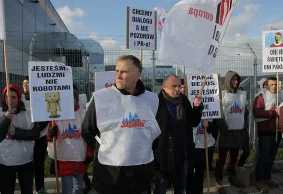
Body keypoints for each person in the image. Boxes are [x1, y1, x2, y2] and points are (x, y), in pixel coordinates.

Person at [81, 55, 161, 194]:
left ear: (138, 75)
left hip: (141, 173)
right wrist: (107, 147)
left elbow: (156, 132)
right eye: (116, 71)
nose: (118, 76)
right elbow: (87, 130)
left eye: (124, 72)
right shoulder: (101, 97)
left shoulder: (152, 99)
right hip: (109, 173)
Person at [153, 74, 203, 194]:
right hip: (164, 158)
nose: (177, 89)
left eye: (179, 86)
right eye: (173, 86)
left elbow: (194, 122)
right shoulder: (156, 104)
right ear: (164, 87)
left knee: (181, 189)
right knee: (160, 189)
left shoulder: (184, 101)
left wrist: (197, 107)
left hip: (183, 155)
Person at [47, 86, 93, 194]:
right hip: (64, 160)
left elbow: (90, 135)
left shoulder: (84, 114)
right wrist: (51, 133)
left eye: (70, 98)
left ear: (76, 99)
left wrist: (90, 153)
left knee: (77, 188)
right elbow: (50, 138)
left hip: (80, 159)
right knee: (67, 189)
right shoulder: (56, 116)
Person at [0, 84, 43, 194]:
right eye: (7, 97)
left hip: (25, 160)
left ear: (19, 97)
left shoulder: (28, 112)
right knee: (7, 190)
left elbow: (35, 133)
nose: (10, 100)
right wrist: (6, 119)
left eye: (13, 97)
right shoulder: (1, 112)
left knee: (27, 189)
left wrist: (16, 133)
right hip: (6, 162)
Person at [215, 71, 249, 194]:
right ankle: (218, 181)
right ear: (228, 81)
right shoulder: (222, 95)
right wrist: (224, 128)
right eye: (233, 80)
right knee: (221, 159)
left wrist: (244, 125)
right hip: (226, 132)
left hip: (238, 131)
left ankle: (232, 177)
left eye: (237, 80)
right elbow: (218, 114)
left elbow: (245, 111)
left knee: (233, 158)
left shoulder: (241, 94)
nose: (235, 82)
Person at [253, 77, 283, 193]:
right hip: (266, 132)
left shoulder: (281, 96)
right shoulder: (261, 97)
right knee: (264, 157)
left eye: (276, 84)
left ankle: (267, 177)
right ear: (266, 85)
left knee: (271, 157)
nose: (274, 86)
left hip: (277, 131)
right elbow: (256, 112)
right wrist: (272, 112)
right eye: (271, 84)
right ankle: (258, 180)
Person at [22, 76, 50, 194]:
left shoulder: (40, 98)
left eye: (28, 83)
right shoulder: (20, 99)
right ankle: (27, 187)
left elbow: (47, 115)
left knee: (39, 164)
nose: (25, 85)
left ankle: (40, 187)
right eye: (24, 83)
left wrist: (37, 130)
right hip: (25, 138)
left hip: (39, 137)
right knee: (25, 164)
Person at [187, 119, 220, 194]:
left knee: (200, 173)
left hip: (205, 148)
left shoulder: (211, 115)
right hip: (192, 147)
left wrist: (209, 125)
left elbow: (215, 130)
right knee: (189, 174)